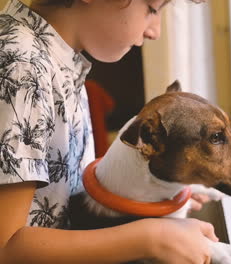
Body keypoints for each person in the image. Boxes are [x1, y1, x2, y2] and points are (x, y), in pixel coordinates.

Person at [0, 0, 216, 263]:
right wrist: (151, 237)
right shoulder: (22, 65)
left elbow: (60, 200)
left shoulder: (54, 57)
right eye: (152, 9)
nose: (154, 31)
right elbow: (6, 247)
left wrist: (148, 194)